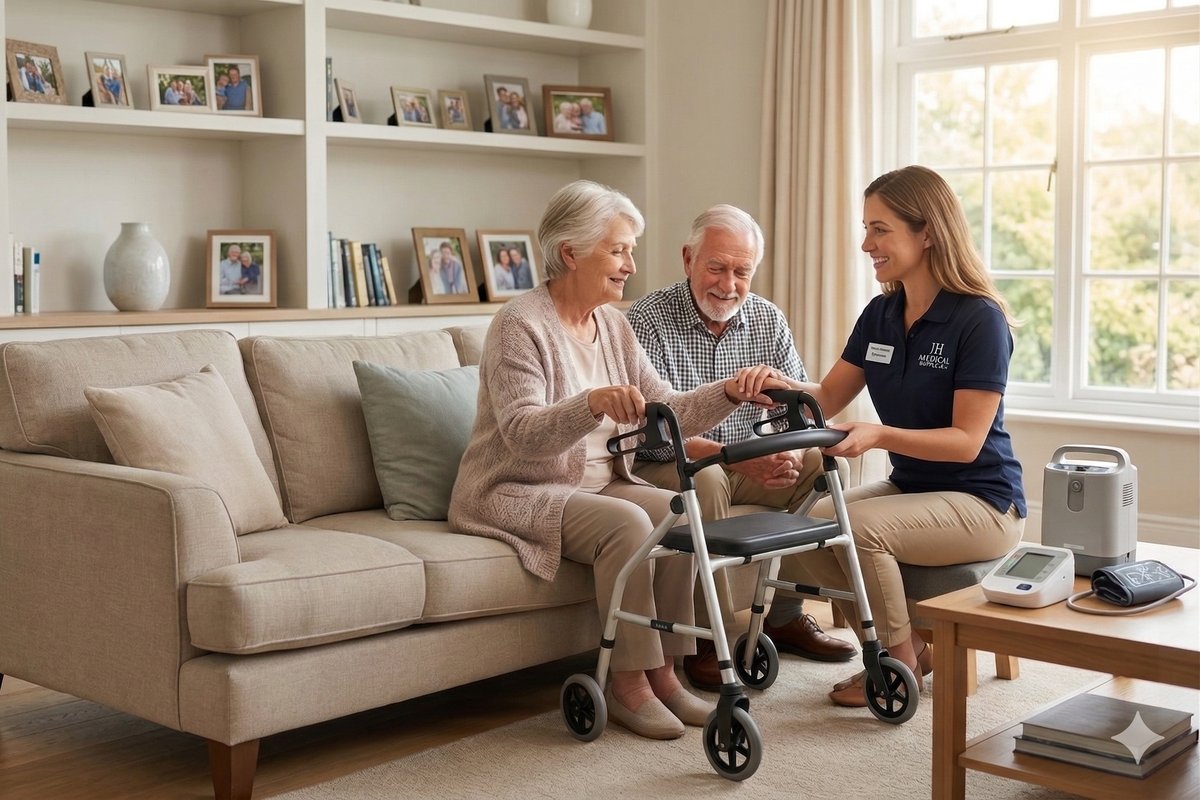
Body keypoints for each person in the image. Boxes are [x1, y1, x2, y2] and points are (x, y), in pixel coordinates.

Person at [449, 179, 787, 740]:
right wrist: (591, 404)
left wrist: (729, 391)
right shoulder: (519, 324)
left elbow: (667, 410)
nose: (631, 264)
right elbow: (522, 435)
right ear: (570, 253)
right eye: (619, 249)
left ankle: (667, 673)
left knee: (681, 508)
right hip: (514, 490)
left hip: (597, 483)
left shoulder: (613, 324)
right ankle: (628, 683)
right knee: (632, 519)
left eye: (630, 250)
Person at [736, 165, 1027, 707]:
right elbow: (825, 397)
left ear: (928, 232)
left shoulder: (978, 319)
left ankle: (897, 662)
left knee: (861, 527)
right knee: (814, 525)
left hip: (983, 501)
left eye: (880, 229)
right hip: (916, 492)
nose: (866, 243)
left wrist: (879, 436)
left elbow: (966, 441)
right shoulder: (881, 314)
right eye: (866, 228)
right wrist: (772, 386)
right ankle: (914, 641)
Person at [627, 205, 857, 691]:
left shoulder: (767, 319)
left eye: (742, 271)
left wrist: (787, 449)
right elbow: (654, 429)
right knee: (705, 478)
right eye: (716, 267)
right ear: (688, 259)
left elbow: (799, 406)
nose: (728, 284)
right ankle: (707, 639)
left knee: (822, 462)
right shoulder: (646, 320)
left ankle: (784, 616)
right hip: (672, 462)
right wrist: (740, 459)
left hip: (747, 458)